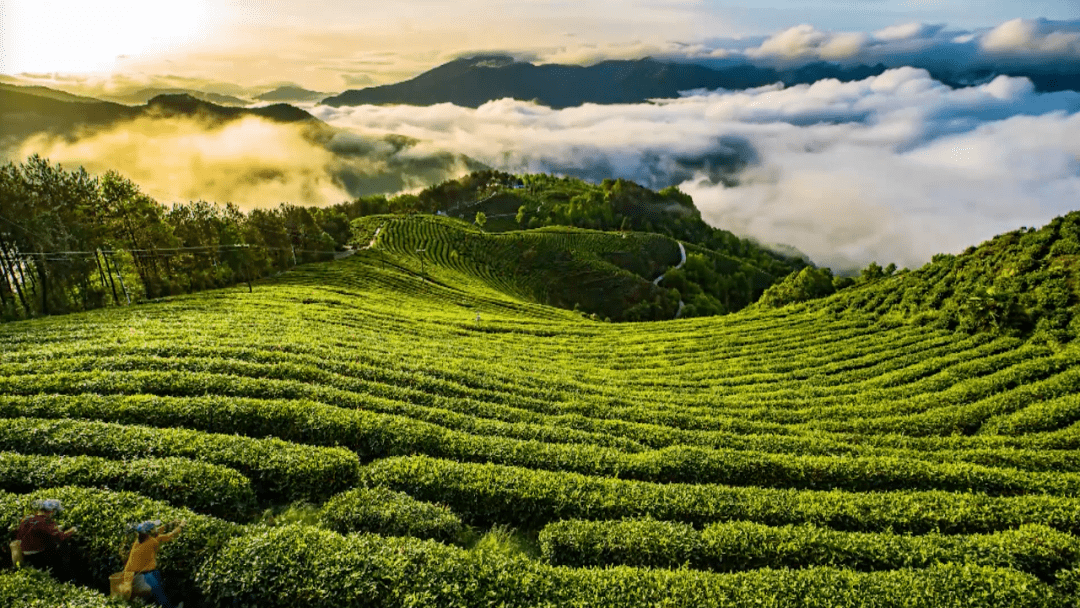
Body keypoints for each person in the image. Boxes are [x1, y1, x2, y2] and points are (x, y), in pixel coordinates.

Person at [124, 519, 185, 608]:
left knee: (157, 574)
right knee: (157, 588)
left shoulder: (139, 540)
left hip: (135, 574)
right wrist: (181, 526)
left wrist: (170, 524)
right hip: (137, 577)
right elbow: (171, 536)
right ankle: (167, 606)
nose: (155, 529)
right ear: (148, 532)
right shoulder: (151, 542)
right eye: (153, 528)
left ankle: (157, 602)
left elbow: (158, 531)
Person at [14, 498, 78, 581]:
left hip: (25, 554)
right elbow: (59, 537)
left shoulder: (27, 518)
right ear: (51, 511)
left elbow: (20, 535)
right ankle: (67, 579)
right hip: (39, 556)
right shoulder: (46, 521)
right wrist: (71, 531)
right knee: (62, 550)